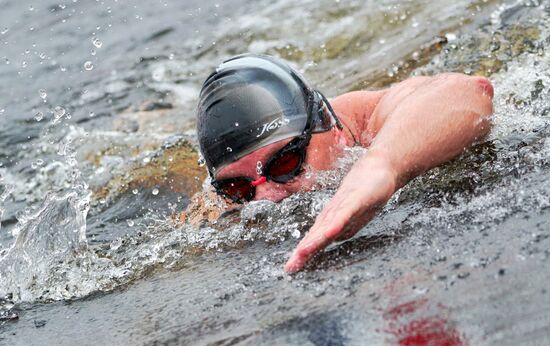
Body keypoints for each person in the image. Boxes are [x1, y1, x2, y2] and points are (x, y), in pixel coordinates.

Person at [192, 53, 494, 273]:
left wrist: (382, 165)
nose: (267, 199)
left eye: (285, 163)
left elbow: (469, 92)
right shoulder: (225, 203)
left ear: (328, 124)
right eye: (237, 187)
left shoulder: (378, 120)